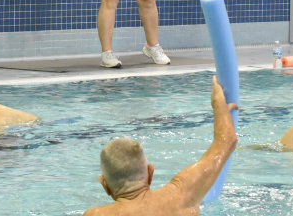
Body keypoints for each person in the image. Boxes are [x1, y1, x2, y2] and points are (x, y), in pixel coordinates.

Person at [84, 76, 238, 215]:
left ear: (105, 186)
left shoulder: (95, 214)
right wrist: (219, 105)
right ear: (150, 173)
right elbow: (227, 141)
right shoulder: (181, 195)